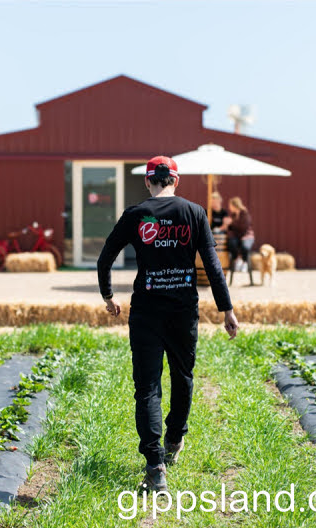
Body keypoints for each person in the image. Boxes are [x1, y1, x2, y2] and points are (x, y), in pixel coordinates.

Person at [97, 155, 239, 493]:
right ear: (176, 181)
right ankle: (174, 439)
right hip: (182, 311)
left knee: (147, 387)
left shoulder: (135, 215)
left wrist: (108, 296)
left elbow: (105, 257)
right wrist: (227, 310)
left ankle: (155, 465)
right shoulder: (194, 213)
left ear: (148, 181)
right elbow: (213, 265)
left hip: (146, 312)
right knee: (182, 376)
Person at [227, 196, 255, 266]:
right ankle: (236, 259)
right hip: (237, 236)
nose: (229, 207)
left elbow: (243, 227)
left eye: (230, 205)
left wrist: (231, 222)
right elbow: (231, 228)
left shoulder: (244, 213)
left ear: (234, 205)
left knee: (245, 246)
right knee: (231, 243)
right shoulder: (233, 215)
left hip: (247, 235)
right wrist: (227, 225)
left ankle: (244, 262)